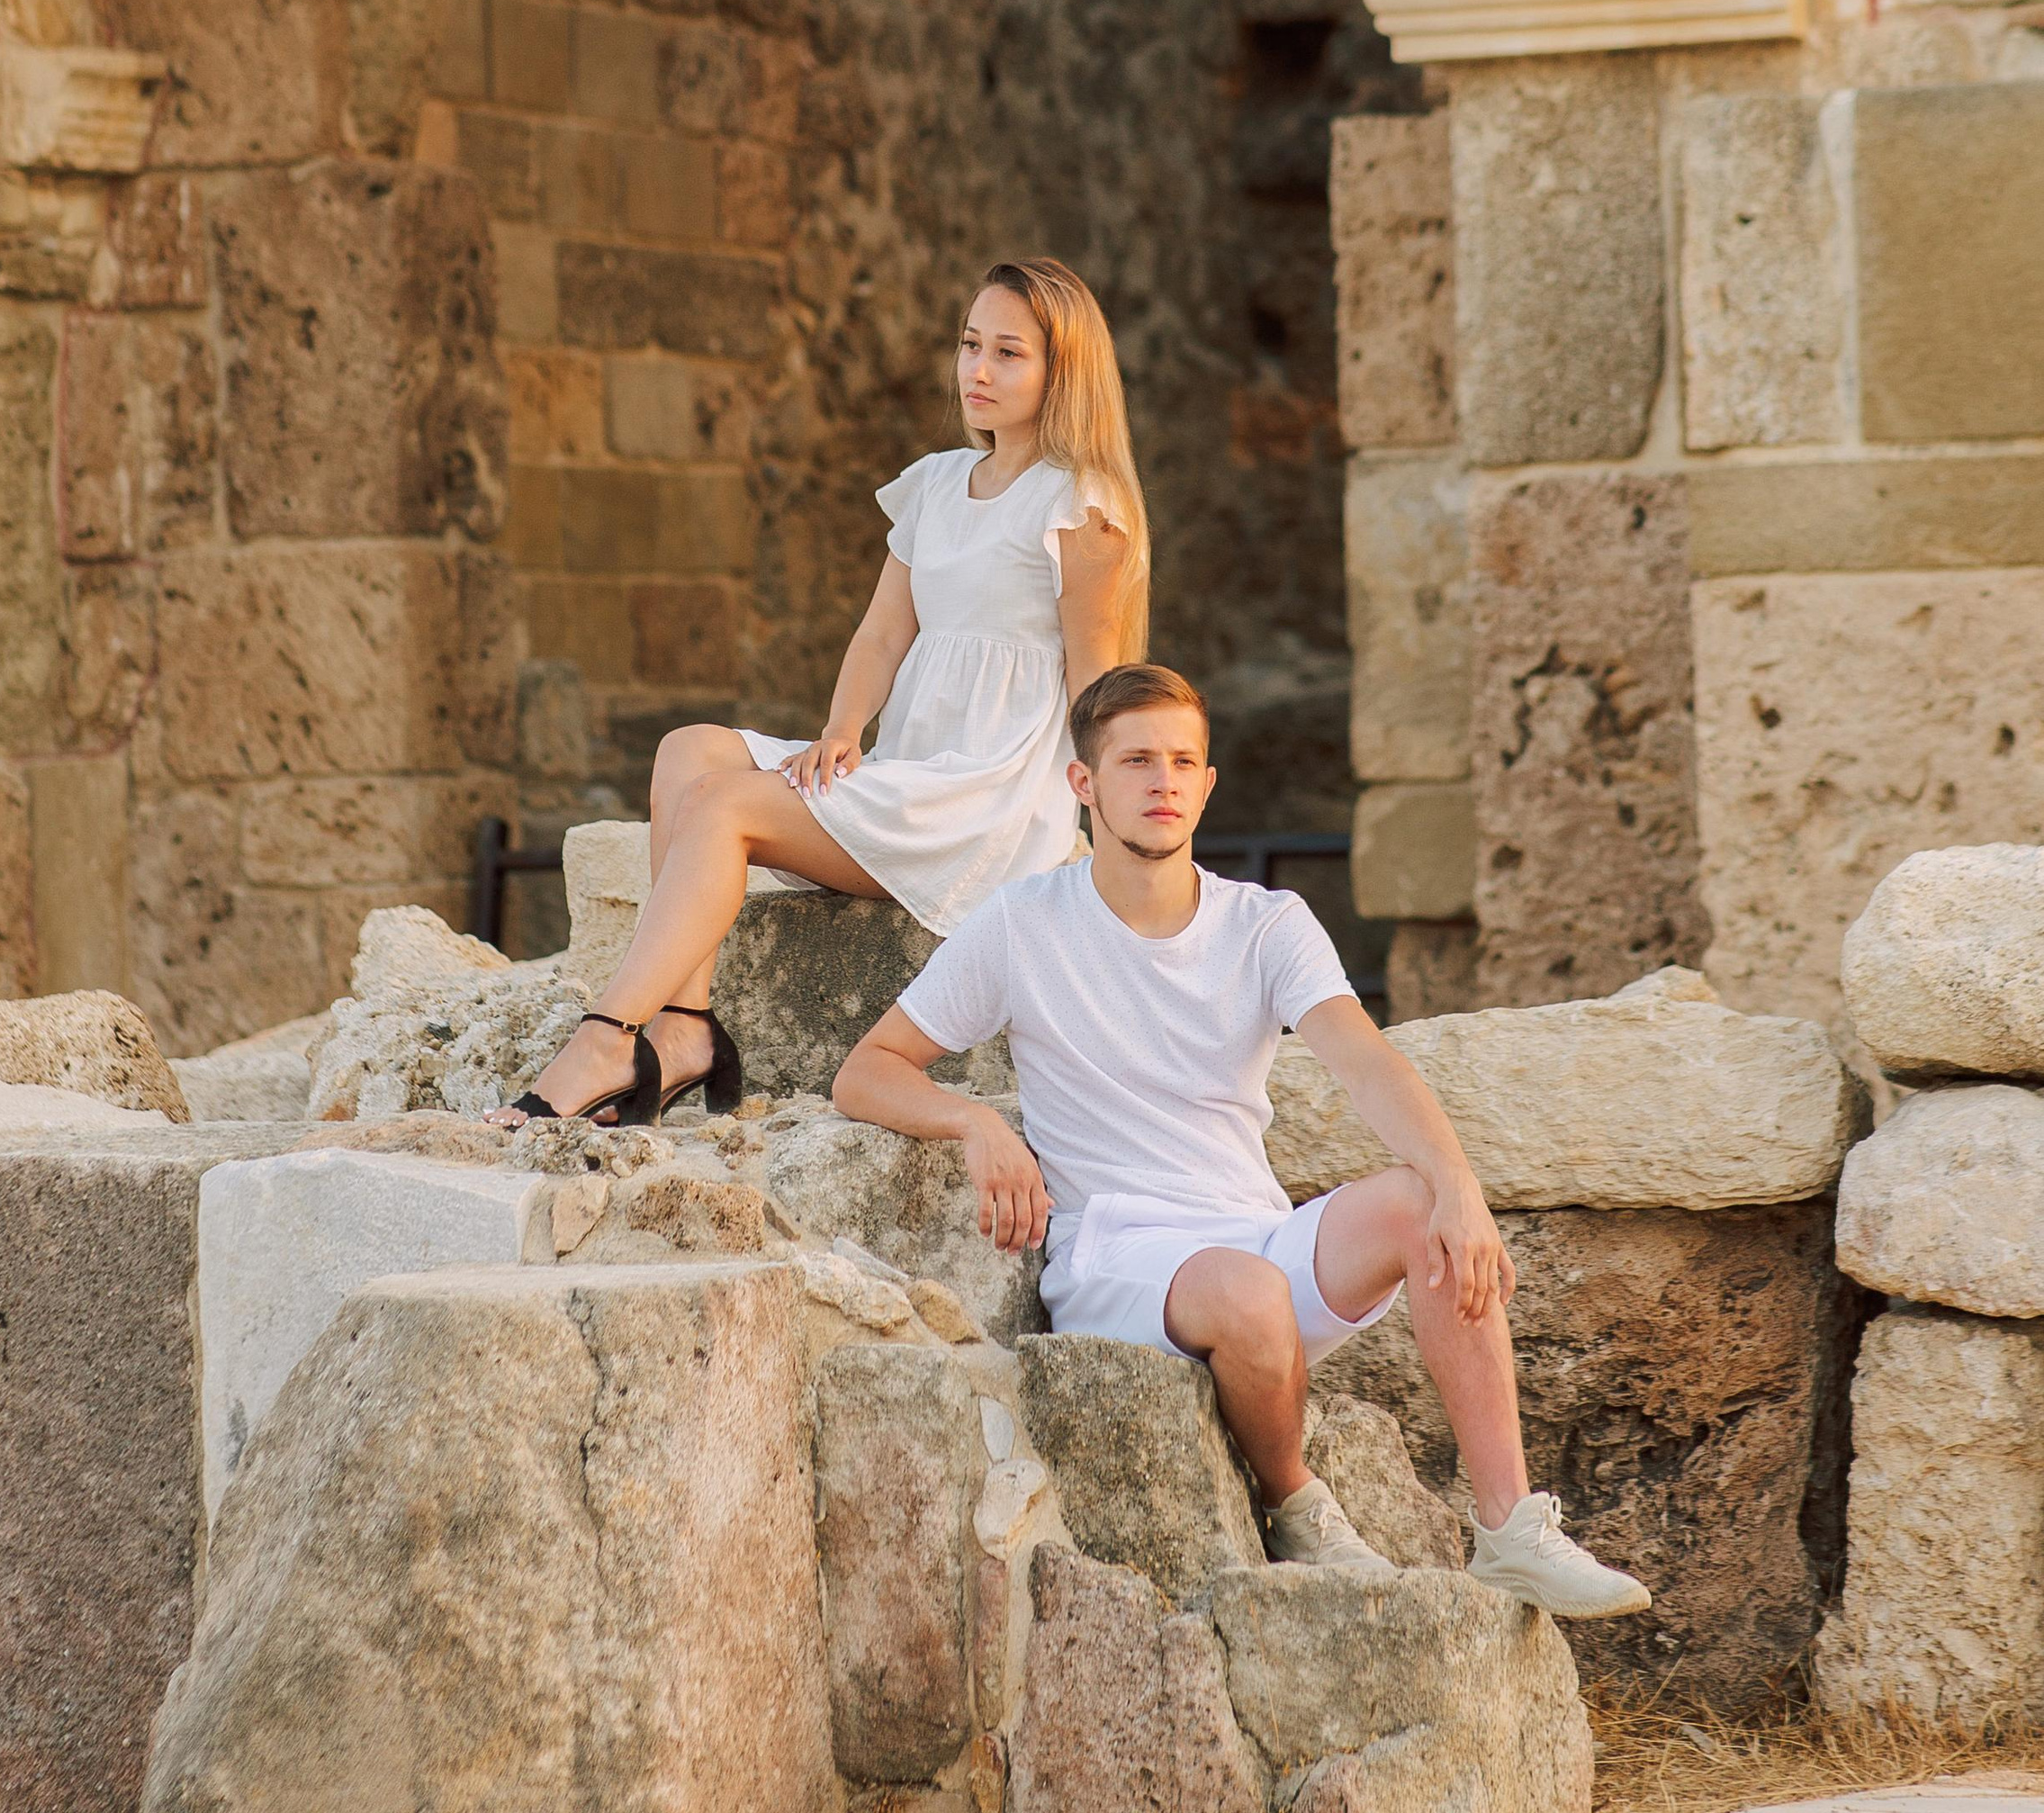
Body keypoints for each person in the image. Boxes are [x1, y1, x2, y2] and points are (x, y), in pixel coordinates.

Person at [831, 660, 1652, 1619]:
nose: (1163, 782)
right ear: (1084, 784)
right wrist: (972, 1120)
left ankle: (1511, 1531)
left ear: (1208, 783)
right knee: (1250, 1294)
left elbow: (1367, 1063)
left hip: (1255, 1238)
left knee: (1416, 1205)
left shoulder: (1265, 923)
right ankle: (1291, 1499)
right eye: (1136, 761)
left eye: (1183, 762)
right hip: (1123, 1255)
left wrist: (1458, 1188)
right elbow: (867, 1069)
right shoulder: (1021, 923)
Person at [504, 256, 1150, 1129]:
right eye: (969, 346)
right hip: (908, 768)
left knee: (726, 806)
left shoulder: (1079, 501)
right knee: (688, 750)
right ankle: (685, 1025)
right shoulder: (932, 484)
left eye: (1008, 353)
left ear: (1060, 373)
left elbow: (1096, 675)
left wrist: (1109, 828)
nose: (978, 370)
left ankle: (605, 1039)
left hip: (980, 798)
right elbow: (884, 631)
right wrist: (843, 727)